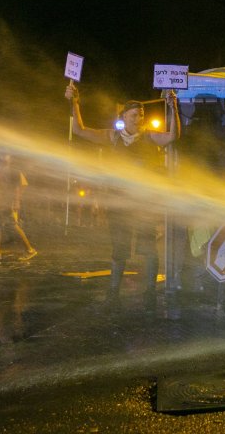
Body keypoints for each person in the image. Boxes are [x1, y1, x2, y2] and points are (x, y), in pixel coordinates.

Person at [65, 82, 180, 307]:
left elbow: (173, 136)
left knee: (148, 249)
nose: (140, 119)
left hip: (144, 204)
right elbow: (79, 130)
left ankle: (149, 295)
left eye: (142, 115)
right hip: (119, 204)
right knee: (119, 248)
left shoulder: (149, 137)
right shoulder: (112, 137)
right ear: (124, 116)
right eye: (135, 115)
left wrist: (173, 106)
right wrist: (74, 102)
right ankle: (113, 294)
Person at [0, 152, 37, 262]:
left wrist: (16, 201)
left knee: (12, 225)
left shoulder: (13, 171)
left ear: (11, 158)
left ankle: (30, 249)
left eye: (6, 155)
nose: (3, 157)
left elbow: (19, 187)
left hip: (7, 202)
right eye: (2, 155)